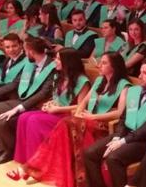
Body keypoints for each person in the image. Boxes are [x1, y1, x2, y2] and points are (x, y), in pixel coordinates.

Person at [83, 59, 146, 187]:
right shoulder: (134, 91)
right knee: (89, 153)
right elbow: (123, 118)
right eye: (140, 72)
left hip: (145, 141)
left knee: (113, 158)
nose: (139, 76)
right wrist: (117, 137)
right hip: (125, 135)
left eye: (145, 73)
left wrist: (122, 141)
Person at [0, 37, 57, 166]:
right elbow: (15, 83)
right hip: (18, 101)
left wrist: (18, 108)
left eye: (25, 50)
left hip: (34, 106)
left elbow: (43, 94)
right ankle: (2, 147)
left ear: (30, 51)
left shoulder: (52, 66)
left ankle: (7, 151)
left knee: (1, 121)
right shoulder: (31, 63)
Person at [9, 48, 90, 179]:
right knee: (23, 117)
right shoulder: (60, 76)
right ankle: (27, 162)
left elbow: (81, 107)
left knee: (34, 120)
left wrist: (58, 109)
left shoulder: (82, 81)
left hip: (68, 117)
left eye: (58, 59)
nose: (55, 61)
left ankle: (37, 167)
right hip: (56, 112)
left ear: (67, 62)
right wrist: (50, 103)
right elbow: (56, 98)